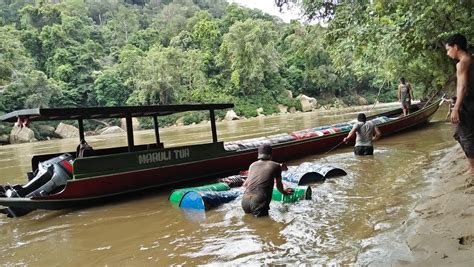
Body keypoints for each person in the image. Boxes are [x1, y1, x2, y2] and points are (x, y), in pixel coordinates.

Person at [445, 33, 474, 175]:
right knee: (460, 133)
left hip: (468, 102)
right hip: (470, 101)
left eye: (448, 49)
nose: (447, 53)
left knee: (464, 135)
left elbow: (462, 87)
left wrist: (456, 108)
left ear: (456, 47)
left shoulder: (462, 63)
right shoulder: (471, 58)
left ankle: (473, 168)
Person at [241, 144, 294, 217]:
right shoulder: (276, 165)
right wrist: (284, 192)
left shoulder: (252, 165)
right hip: (259, 200)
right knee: (263, 225)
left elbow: (245, 184)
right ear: (271, 155)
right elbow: (279, 184)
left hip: (245, 200)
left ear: (259, 155)